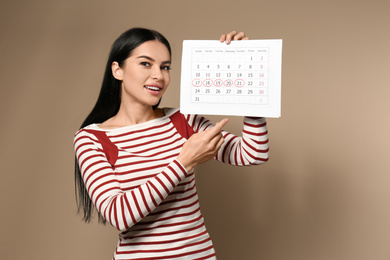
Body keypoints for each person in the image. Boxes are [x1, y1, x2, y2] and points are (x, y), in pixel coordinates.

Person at [73, 27, 269, 260]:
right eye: (146, 64)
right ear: (118, 71)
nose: (159, 75)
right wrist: (183, 162)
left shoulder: (181, 119)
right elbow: (119, 215)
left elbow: (253, 153)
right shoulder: (92, 138)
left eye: (165, 67)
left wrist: (251, 76)